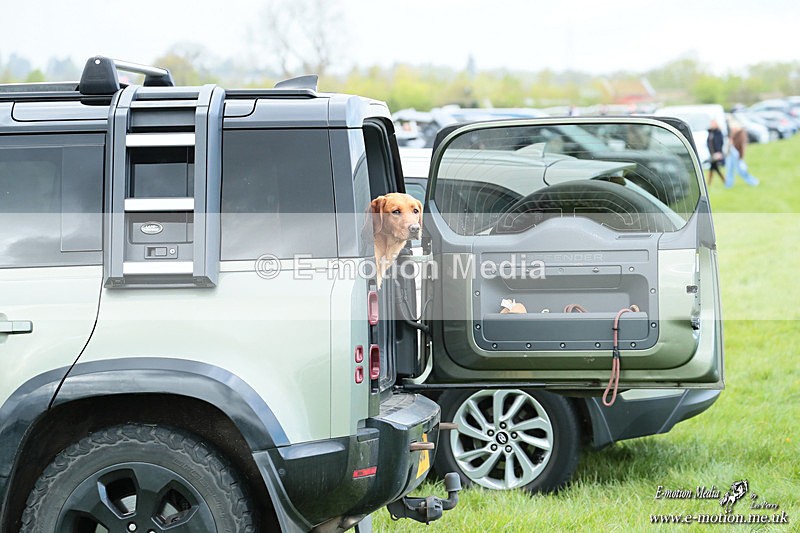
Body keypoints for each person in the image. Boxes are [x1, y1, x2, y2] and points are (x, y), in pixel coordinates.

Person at [706, 119, 725, 185]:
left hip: (716, 153)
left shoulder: (718, 133)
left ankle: (709, 183)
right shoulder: (710, 132)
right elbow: (709, 143)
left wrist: (719, 152)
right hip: (712, 153)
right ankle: (724, 181)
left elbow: (720, 143)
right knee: (715, 168)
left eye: (713, 123)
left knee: (713, 167)